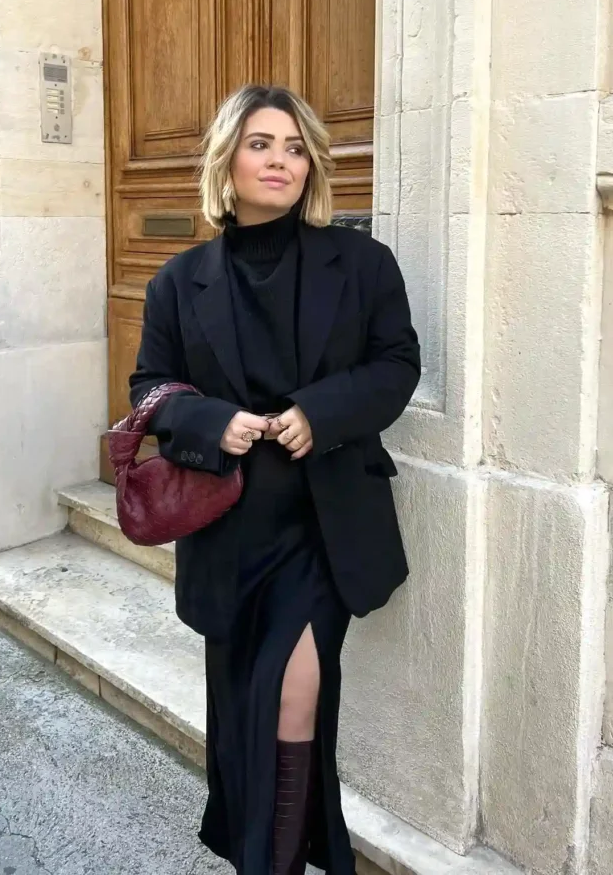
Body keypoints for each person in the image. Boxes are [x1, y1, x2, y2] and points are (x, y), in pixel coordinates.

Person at [129, 85, 421, 875]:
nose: (280, 161)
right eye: (261, 144)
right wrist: (208, 420)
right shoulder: (177, 281)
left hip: (323, 526)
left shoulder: (362, 264)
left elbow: (397, 364)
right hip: (228, 527)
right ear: (228, 160)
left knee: (295, 696)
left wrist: (320, 412)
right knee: (239, 709)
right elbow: (149, 388)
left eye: (294, 148)